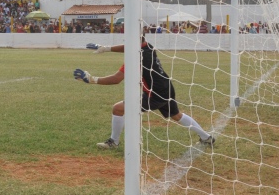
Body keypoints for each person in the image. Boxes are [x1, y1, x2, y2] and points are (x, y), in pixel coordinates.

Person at [75, 36, 215, 150]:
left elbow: (117, 79)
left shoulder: (136, 58)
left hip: (155, 93)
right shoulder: (147, 46)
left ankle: (114, 142)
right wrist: (106, 48)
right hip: (167, 87)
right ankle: (206, 137)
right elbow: (131, 46)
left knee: (117, 108)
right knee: (176, 115)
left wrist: (92, 80)